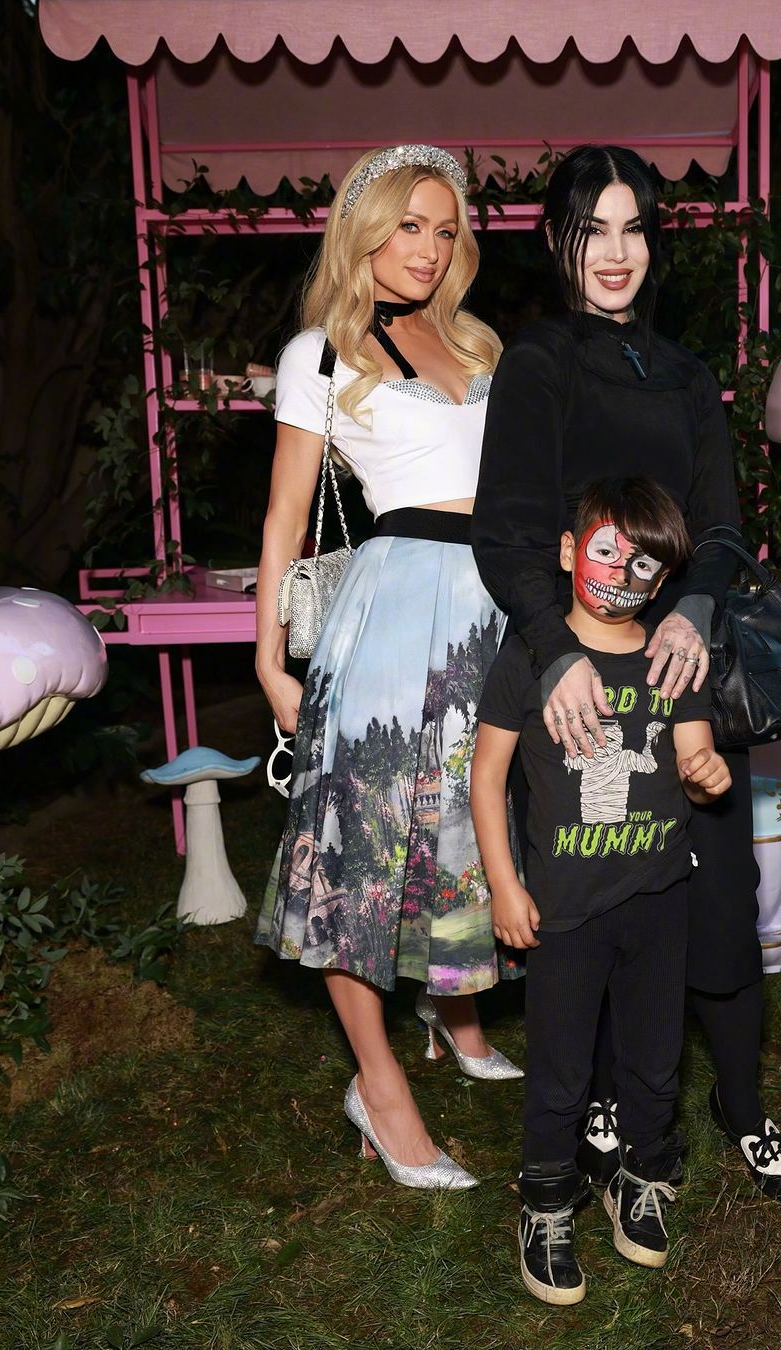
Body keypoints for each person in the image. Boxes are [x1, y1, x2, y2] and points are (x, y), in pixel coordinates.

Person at [472, 144, 781, 1211]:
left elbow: (720, 525)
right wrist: (556, 649)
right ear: (557, 239)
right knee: (595, 897)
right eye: (594, 230)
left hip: (684, 673)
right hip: (580, 675)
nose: (615, 253)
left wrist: (700, 608)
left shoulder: (684, 375)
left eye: (633, 228)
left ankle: (742, 1108)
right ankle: (606, 1105)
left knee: (716, 903)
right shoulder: (538, 364)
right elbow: (507, 531)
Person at [255, 145, 522, 1194]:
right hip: (394, 614)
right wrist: (269, 660)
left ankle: (454, 1009)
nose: (430, 247)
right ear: (364, 228)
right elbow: (285, 516)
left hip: (493, 606)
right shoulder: (319, 354)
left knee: (464, 825)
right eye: (410, 224)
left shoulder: (475, 342)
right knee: (360, 849)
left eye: (446, 230)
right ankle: (381, 1087)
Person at [472, 477, 733, 1303]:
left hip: (659, 898)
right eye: (608, 551)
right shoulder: (529, 658)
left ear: (663, 579)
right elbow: (486, 779)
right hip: (565, 910)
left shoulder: (671, 659)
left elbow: (693, 760)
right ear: (567, 551)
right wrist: (504, 885)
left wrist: (707, 773)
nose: (623, 574)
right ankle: (547, 1203)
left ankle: (643, 1178)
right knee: (560, 1071)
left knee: (654, 1063)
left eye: (644, 564)